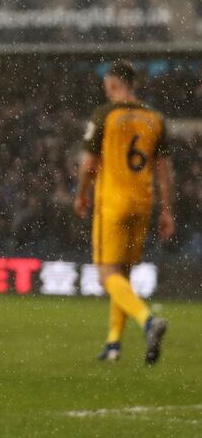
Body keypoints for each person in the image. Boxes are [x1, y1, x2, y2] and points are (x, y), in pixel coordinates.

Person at [74, 61, 173, 364]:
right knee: (123, 275)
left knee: (107, 276)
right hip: (143, 202)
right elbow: (164, 169)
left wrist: (81, 194)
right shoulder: (154, 118)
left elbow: (89, 164)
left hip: (113, 202)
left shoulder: (105, 114)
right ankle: (114, 343)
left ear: (113, 84)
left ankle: (147, 320)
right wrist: (167, 210)